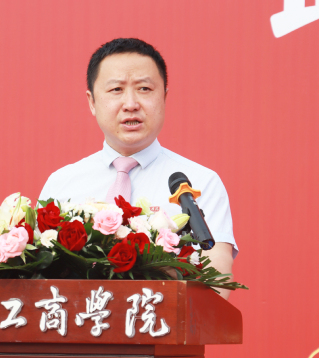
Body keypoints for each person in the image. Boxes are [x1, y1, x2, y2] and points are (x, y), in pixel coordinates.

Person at [39, 38, 237, 299]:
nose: (131, 103)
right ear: (92, 102)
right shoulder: (62, 184)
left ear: (164, 97)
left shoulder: (201, 182)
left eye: (144, 89)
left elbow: (217, 279)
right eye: (116, 90)